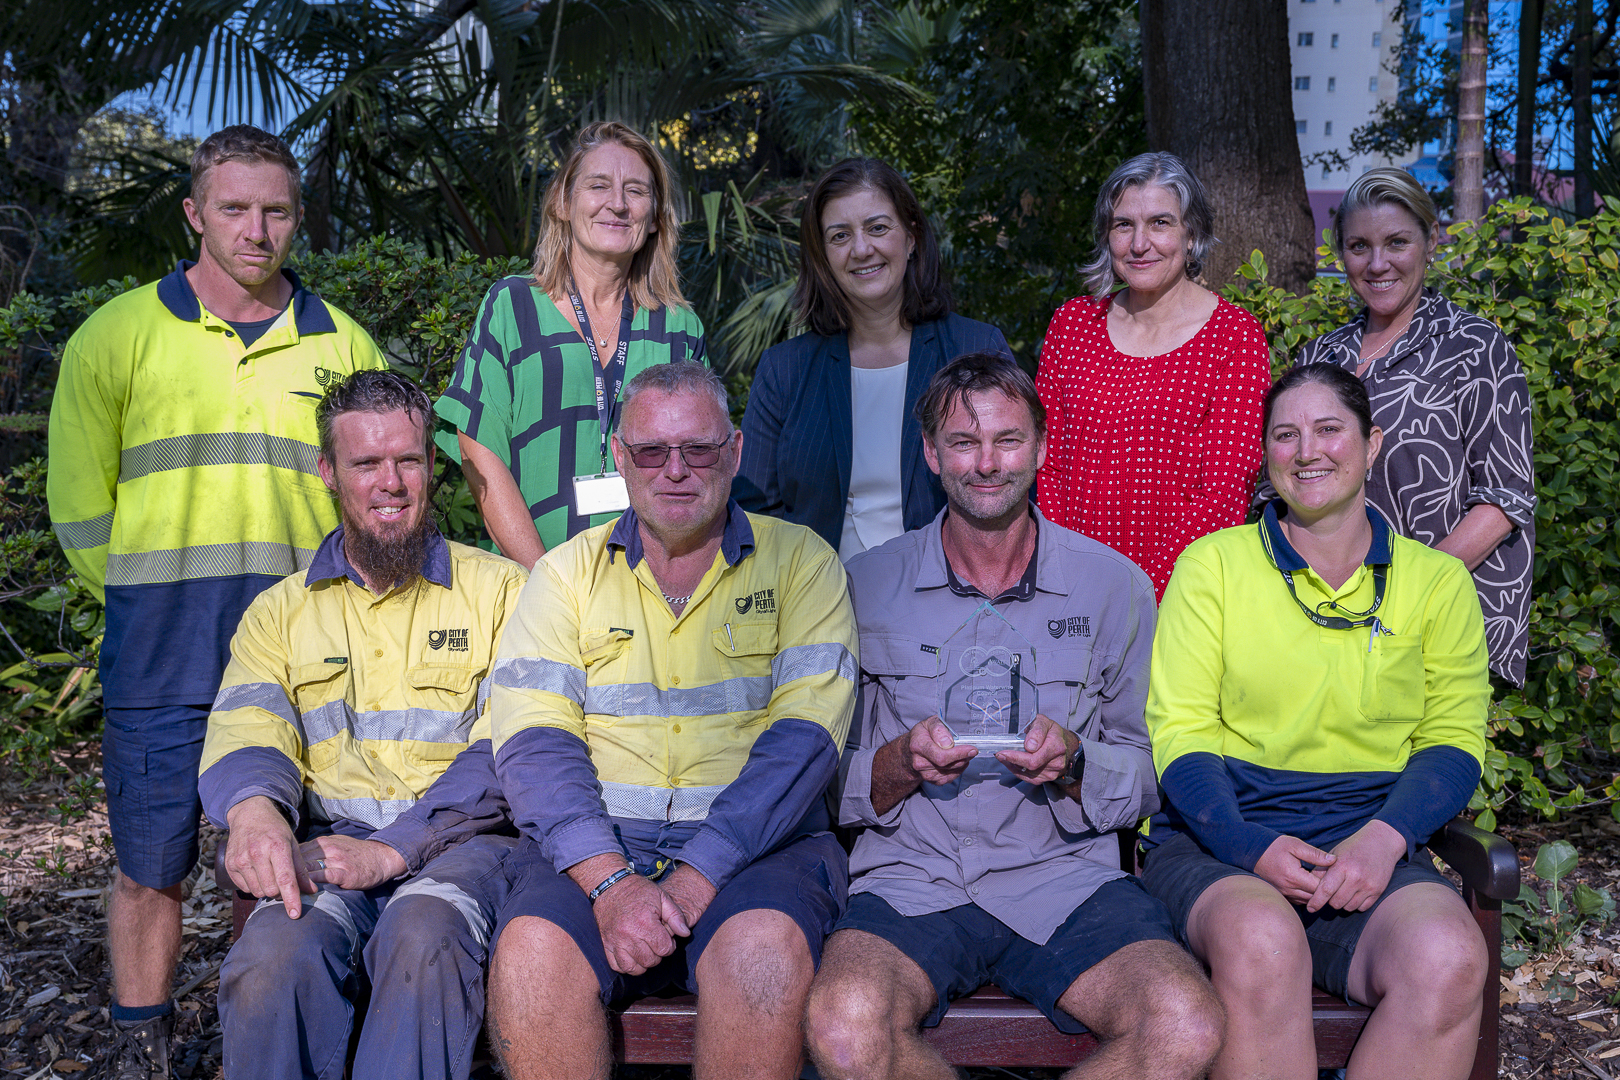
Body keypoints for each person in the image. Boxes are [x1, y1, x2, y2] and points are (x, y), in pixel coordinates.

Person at [45, 125, 387, 1077]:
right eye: (233, 207)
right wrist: (142, 596)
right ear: (194, 213)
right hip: (162, 649)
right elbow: (77, 504)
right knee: (152, 865)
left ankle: (276, 1038)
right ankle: (142, 1048)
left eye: (276, 209)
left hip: (303, 658)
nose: (256, 228)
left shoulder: (342, 341)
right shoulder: (115, 335)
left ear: (298, 218)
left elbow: (373, 494)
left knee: (300, 856)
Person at [805, 353, 1223, 1080]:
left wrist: (1077, 766)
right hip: (912, 877)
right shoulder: (862, 586)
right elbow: (815, 775)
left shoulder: (1114, 586)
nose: (986, 462)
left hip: (1066, 878)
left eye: (1006, 439)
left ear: (1040, 447)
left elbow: (1157, 766)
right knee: (844, 1029)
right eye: (963, 443)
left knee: (1184, 1024)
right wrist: (898, 762)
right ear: (932, 454)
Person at [483, 361, 858, 1080]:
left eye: (700, 450)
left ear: (737, 451)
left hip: (759, 854)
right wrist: (611, 881)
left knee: (761, 955)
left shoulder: (802, 563)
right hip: (595, 846)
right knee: (532, 955)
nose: (676, 470)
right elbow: (535, 745)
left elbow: (804, 744)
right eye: (652, 451)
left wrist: (695, 876)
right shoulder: (564, 576)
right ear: (621, 458)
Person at [1141, 363, 1491, 1080]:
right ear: (1266, 454)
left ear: (1372, 444)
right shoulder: (1213, 566)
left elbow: (1453, 739)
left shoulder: (1438, 582)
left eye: (1329, 430)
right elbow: (1181, 730)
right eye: (1285, 435)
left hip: (1368, 845)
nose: (1308, 451)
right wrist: (1248, 844)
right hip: (1223, 840)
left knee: (1448, 957)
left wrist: (1383, 841)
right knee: (1262, 937)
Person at [199, 370, 527, 1080]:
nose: (391, 483)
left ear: (431, 467)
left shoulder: (503, 592)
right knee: (271, 958)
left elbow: (513, 749)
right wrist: (256, 816)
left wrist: (397, 850)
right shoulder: (280, 612)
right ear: (328, 472)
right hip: (335, 850)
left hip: (469, 851)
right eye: (366, 463)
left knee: (421, 933)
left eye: (408, 460)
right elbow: (249, 729)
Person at [1296, 167, 1535, 685]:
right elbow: (1284, 479)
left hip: (1439, 617)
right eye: (1359, 246)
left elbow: (1505, 499)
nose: (1378, 263)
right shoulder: (1319, 356)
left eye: (1397, 242)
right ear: (1341, 254)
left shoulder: (1474, 347)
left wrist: (1404, 591)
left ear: (1431, 243)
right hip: (1328, 620)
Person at [434, 121, 706, 568]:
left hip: (655, 586)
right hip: (532, 579)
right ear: (563, 202)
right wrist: (544, 584)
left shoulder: (681, 329)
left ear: (656, 216)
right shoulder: (513, 306)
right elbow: (478, 449)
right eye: (598, 185)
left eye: (636, 191)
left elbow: (700, 466)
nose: (617, 204)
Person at [734, 157, 1011, 559]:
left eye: (878, 228)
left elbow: (1012, 483)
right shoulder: (785, 370)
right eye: (840, 236)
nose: (862, 249)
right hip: (817, 605)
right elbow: (754, 510)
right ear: (823, 255)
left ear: (911, 237)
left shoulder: (975, 348)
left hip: (949, 603)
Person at [1035, 151, 1271, 599]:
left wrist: (1144, 592)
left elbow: (1224, 490)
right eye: (1124, 225)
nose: (1140, 243)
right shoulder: (1072, 325)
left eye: (1160, 223)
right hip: (1071, 590)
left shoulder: (1234, 336)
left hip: (1184, 592)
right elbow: (1050, 465)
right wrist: (1070, 578)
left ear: (1192, 233)